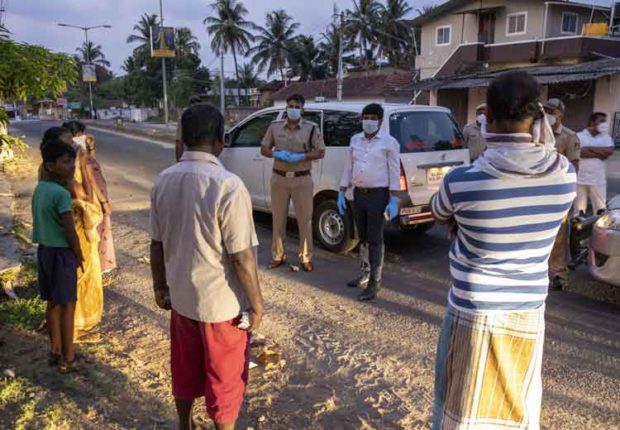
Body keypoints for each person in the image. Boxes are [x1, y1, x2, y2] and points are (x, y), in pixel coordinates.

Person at [430, 71, 576, 429]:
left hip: (473, 310)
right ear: (538, 116)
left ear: (488, 118)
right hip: (527, 308)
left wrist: (464, 224)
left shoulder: (463, 181)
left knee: (461, 403)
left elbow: (439, 212)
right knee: (514, 401)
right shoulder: (564, 175)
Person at [150, 102, 264, 430]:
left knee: (185, 368)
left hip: (182, 300)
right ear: (220, 140)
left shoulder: (163, 180)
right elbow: (241, 257)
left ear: (183, 139)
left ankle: (184, 424)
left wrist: (160, 286)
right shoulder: (227, 185)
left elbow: (156, 244)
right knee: (224, 379)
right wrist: (256, 306)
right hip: (221, 306)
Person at [337, 103, 400, 301]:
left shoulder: (389, 143)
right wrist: (342, 191)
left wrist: (394, 199)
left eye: (373, 118)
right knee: (362, 235)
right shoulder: (355, 140)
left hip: (378, 196)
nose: (369, 121)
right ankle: (364, 274)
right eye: (366, 117)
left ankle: (375, 281)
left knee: (375, 238)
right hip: (359, 195)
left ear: (381, 121)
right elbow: (349, 166)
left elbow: (394, 171)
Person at [32, 135, 83, 372]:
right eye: (66, 162)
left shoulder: (41, 188)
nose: (72, 166)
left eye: (72, 161)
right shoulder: (61, 194)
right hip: (62, 254)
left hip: (44, 252)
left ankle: (54, 351)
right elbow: (69, 230)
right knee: (68, 305)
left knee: (53, 303)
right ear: (51, 166)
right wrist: (78, 253)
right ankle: (69, 356)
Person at [261, 94, 325, 272]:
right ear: (286, 107)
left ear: (303, 109)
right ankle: (278, 255)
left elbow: (320, 152)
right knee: (278, 219)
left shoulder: (311, 128)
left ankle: (305, 258)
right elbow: (264, 148)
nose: (293, 109)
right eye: (290, 105)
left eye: (297, 106)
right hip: (279, 178)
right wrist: (275, 154)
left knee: (304, 221)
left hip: (302, 178)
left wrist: (302, 156)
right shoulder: (274, 127)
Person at [62, 121, 104, 340]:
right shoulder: (68, 164)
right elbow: (85, 195)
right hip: (77, 226)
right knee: (83, 274)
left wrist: (89, 154)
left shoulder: (64, 160)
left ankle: (76, 327)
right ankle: (75, 329)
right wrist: (83, 161)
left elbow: (95, 169)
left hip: (76, 222)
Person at [64, 121, 117, 274]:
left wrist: (91, 148)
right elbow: (90, 178)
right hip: (91, 200)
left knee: (99, 232)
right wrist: (104, 202)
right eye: (81, 134)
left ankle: (98, 266)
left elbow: (94, 165)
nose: (83, 136)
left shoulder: (81, 152)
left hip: (93, 197)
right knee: (96, 233)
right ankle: (95, 268)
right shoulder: (75, 154)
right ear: (76, 135)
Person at [544, 98, 580, 291]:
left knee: (559, 235)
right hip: (538, 191)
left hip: (557, 192)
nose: (548, 113)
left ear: (560, 114)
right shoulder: (538, 132)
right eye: (545, 109)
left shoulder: (569, 137)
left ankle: (559, 274)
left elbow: (574, 168)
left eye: (552, 110)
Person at [575, 112, 615, 216]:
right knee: (579, 212)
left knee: (600, 211)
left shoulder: (606, 138)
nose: (604, 124)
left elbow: (609, 152)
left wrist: (589, 148)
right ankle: (578, 231)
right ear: (592, 122)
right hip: (580, 180)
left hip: (598, 181)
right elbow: (578, 152)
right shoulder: (579, 136)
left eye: (605, 121)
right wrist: (600, 153)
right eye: (601, 121)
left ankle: (598, 231)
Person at [175, 95, 203, 162]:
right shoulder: (205, 120)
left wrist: (179, 161)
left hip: (188, 157)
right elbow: (179, 142)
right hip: (201, 157)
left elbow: (179, 142)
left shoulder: (183, 119)